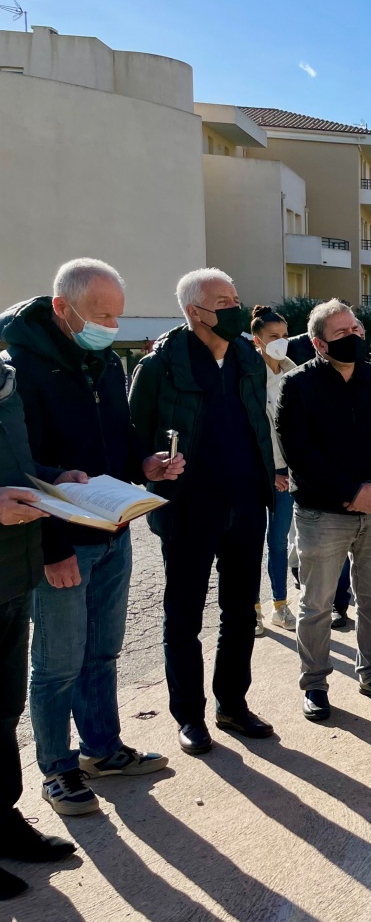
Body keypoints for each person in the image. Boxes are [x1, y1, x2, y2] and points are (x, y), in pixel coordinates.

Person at [1, 258, 180, 815]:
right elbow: (22, 463)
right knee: (57, 662)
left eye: (117, 316)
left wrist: (143, 464)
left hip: (112, 526)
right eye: (101, 315)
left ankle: (103, 750)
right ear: (63, 307)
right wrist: (52, 548)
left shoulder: (99, 360)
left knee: (102, 650)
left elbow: (116, 435)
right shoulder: (20, 366)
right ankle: (58, 769)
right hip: (58, 538)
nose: (110, 327)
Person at [129, 268, 277, 755]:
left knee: (239, 610)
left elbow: (259, 422)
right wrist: (150, 464)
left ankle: (232, 704)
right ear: (195, 311)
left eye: (236, 297)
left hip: (246, 505)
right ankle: (189, 716)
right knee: (183, 617)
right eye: (223, 301)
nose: (235, 307)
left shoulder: (246, 358)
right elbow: (135, 437)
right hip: (188, 510)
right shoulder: (160, 366)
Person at [276, 301, 371, 722]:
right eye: (341, 334)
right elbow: (299, 451)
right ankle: (315, 683)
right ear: (319, 343)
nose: (353, 337)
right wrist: (350, 490)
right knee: (316, 604)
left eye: (355, 329)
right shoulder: (297, 385)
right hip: (323, 514)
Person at [0, 361, 77, 899]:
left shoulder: (5, 377)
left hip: (12, 570)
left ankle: (2, 822)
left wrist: (53, 479)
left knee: (3, 708)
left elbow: (15, 463)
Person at [250, 306, 297, 636]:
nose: (281, 342)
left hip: (288, 474)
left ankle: (280, 605)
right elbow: (253, 431)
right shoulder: (248, 375)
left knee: (279, 542)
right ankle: (252, 609)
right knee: (251, 543)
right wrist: (271, 472)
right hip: (257, 473)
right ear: (258, 340)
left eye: (284, 336)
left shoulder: (294, 373)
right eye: (273, 337)